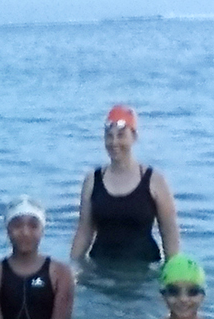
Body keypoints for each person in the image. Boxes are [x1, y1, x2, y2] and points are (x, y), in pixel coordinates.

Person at [69, 104, 182, 264]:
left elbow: (170, 233)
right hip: (101, 273)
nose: (114, 142)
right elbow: (83, 232)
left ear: (134, 137)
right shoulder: (92, 180)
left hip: (144, 272)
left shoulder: (154, 180)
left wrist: (174, 274)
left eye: (121, 135)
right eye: (109, 136)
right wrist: (72, 268)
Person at [0, 196, 74, 319]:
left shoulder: (61, 274)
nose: (25, 232)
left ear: (42, 230)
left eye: (33, 225)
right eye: (17, 225)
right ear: (7, 229)